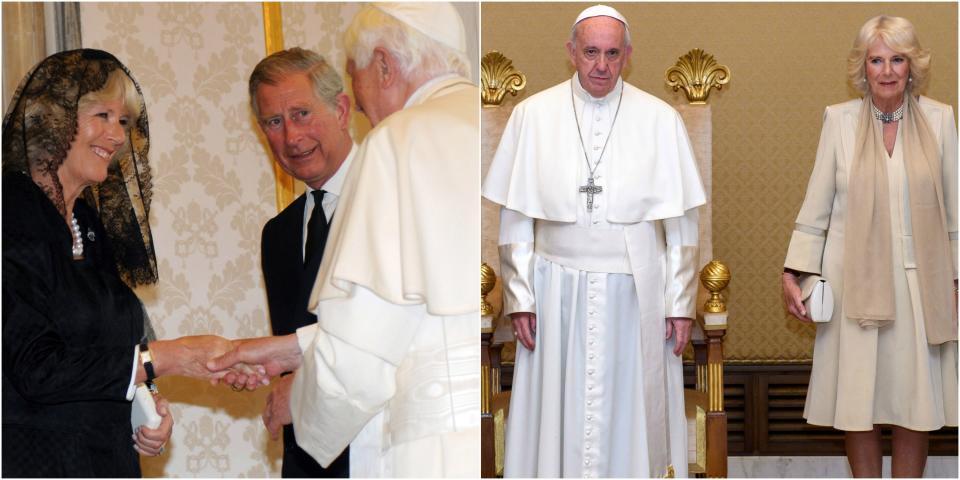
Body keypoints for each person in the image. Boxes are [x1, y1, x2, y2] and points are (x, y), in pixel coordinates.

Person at [208, 3, 480, 477]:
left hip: (425, 440)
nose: (360, 103)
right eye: (274, 122)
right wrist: (285, 350)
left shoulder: (397, 141)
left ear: (384, 64)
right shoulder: (500, 125)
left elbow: (363, 347)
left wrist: (301, 396)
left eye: (356, 79)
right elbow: (418, 308)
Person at [482, 5, 705, 477]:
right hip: (555, 289)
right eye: (590, 53)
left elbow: (682, 225)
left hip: (635, 294)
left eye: (612, 54)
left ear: (627, 55)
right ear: (571, 53)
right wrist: (520, 298)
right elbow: (516, 216)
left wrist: (680, 303)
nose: (601, 66)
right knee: (558, 413)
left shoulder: (660, 119)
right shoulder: (532, 116)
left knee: (630, 413)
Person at [2, 49, 237, 477]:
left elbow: (103, 349)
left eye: (124, 122)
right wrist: (158, 358)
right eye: (102, 115)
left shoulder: (87, 221)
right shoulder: (11, 210)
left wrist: (145, 410)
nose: (116, 135)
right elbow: (36, 367)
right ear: (53, 117)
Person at [781, 15, 957, 478]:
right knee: (858, 401)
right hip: (852, 284)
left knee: (914, 404)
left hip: (922, 284)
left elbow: (955, 214)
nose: (887, 70)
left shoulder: (941, 119)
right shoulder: (837, 120)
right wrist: (795, 271)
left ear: (912, 64)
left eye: (897, 59)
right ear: (863, 66)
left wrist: (957, 279)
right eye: (876, 59)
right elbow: (816, 205)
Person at [250, 47, 356, 477]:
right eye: (274, 122)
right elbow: (292, 358)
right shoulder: (277, 235)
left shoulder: (388, 200)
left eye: (302, 114)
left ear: (342, 109)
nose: (292, 137)